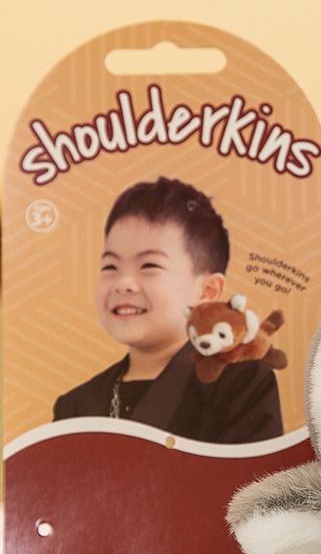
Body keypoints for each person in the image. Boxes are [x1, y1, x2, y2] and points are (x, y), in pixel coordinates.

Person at [53, 177, 284, 443]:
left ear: (207, 292)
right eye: (110, 267)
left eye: (149, 266)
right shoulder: (75, 407)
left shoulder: (240, 383)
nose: (123, 283)